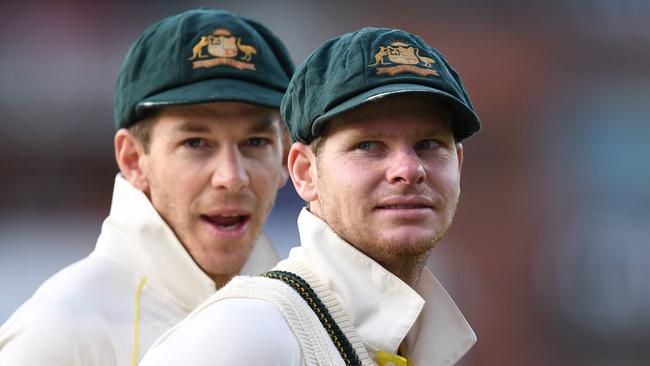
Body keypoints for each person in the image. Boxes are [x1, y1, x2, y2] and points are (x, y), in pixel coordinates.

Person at [140, 27, 481, 366]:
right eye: (368, 145)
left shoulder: (419, 341)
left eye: (430, 145)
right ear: (305, 172)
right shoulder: (244, 335)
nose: (409, 169)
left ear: (459, 164)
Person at [0, 8, 294, 366]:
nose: (232, 177)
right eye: (196, 143)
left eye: (256, 141)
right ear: (134, 160)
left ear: (285, 159)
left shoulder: (307, 318)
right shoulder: (60, 335)